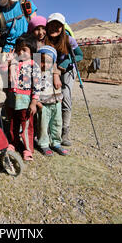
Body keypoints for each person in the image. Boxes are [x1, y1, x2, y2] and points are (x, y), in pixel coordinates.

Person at [45, 13, 83, 146]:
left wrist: (67, 63)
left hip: (67, 69)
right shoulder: (44, 40)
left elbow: (80, 55)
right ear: (47, 26)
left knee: (66, 96)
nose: (54, 28)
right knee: (49, 97)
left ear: (62, 27)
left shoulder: (69, 40)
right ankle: (48, 129)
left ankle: (64, 131)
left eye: (58, 25)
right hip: (51, 69)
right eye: (52, 25)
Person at [5, 33, 42, 161]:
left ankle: (27, 149)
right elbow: (4, 78)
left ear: (32, 51)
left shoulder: (33, 65)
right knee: (13, 124)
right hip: (12, 100)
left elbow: (37, 84)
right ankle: (13, 143)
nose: (21, 52)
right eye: (19, 49)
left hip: (25, 101)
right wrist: (9, 63)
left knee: (27, 125)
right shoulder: (13, 63)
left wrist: (34, 102)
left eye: (24, 49)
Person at [36, 46, 68, 156]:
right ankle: (44, 144)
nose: (45, 64)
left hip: (56, 102)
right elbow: (33, 88)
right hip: (43, 104)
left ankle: (56, 142)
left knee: (57, 123)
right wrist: (37, 102)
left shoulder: (55, 73)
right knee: (43, 125)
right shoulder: (36, 73)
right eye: (42, 61)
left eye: (49, 62)